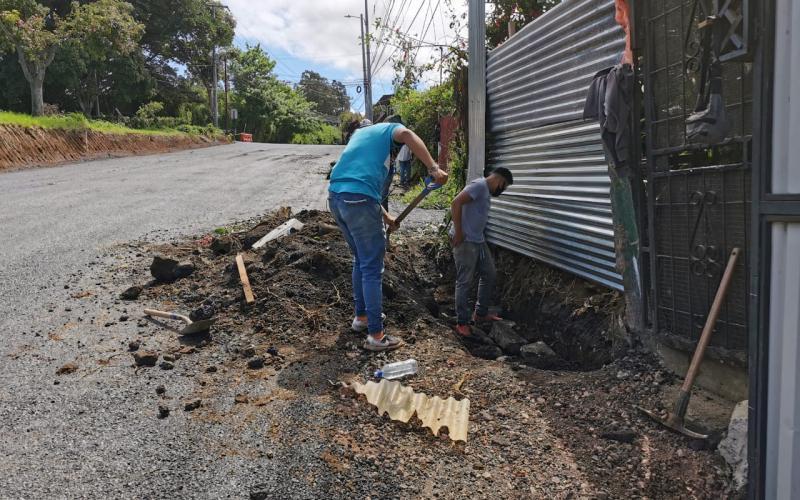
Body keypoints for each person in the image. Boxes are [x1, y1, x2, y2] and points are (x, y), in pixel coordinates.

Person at [329, 119, 448, 351]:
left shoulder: (360, 137)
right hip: (358, 201)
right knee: (372, 267)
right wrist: (433, 168)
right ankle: (376, 336)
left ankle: (361, 318)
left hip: (336, 198)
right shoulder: (389, 129)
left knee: (360, 260)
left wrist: (386, 218)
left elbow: (361, 187)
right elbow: (408, 134)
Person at [450, 167, 514, 337]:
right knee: (464, 281)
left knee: (489, 273)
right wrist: (458, 232)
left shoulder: (484, 189)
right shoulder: (479, 186)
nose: (502, 190)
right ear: (499, 181)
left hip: (478, 240)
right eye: (504, 186)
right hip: (466, 242)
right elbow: (456, 202)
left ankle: (480, 313)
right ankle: (462, 323)